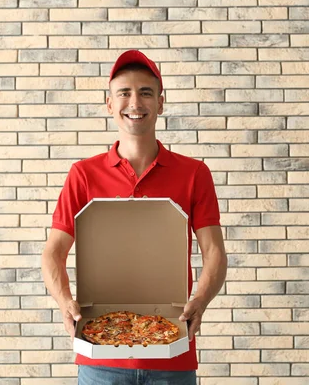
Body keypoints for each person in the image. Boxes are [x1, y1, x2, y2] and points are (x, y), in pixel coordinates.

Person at [41, 49, 228, 385]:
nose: (135, 102)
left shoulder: (194, 173)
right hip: (100, 360)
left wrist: (199, 301)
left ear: (161, 102)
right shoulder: (83, 174)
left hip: (174, 353)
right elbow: (53, 251)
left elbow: (214, 250)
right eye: (123, 93)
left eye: (145, 92)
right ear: (109, 104)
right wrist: (65, 301)